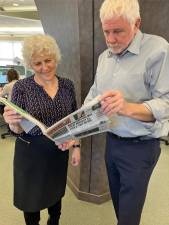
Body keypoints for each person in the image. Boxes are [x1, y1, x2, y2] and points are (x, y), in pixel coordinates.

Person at [84, 0, 169, 225]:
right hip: (112, 142)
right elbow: (93, 96)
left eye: (118, 31)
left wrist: (126, 107)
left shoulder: (158, 49)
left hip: (140, 147)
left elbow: (166, 103)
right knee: (120, 207)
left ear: (137, 23)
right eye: (106, 32)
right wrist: (71, 130)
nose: (111, 39)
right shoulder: (105, 57)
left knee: (129, 216)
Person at [3, 34, 80, 225]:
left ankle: (54, 222)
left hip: (58, 150)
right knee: (31, 200)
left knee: (55, 195)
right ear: (30, 64)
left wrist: (76, 146)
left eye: (48, 60)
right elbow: (17, 129)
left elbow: (75, 120)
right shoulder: (21, 87)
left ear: (56, 58)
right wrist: (12, 122)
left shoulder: (67, 85)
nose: (44, 67)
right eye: (37, 63)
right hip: (31, 153)